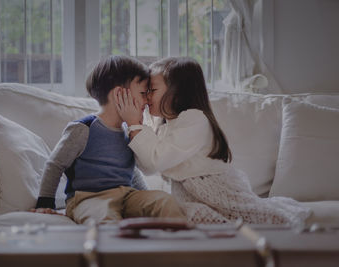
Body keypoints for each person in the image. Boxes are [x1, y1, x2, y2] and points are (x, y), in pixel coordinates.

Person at [114, 56, 311, 226]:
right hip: (191, 195)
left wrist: (135, 125)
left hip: (217, 190)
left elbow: (157, 160)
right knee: (188, 217)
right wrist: (135, 126)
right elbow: (148, 167)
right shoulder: (166, 126)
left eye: (153, 90)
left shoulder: (194, 119)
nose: (147, 97)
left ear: (177, 93)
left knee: (261, 218)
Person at [31, 55, 185, 224]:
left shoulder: (129, 132)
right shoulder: (83, 129)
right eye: (142, 93)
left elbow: (131, 172)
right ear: (119, 94)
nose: (147, 100)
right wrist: (45, 203)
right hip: (90, 199)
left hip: (127, 196)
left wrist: (145, 197)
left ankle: (176, 247)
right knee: (103, 218)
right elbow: (55, 165)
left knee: (164, 201)